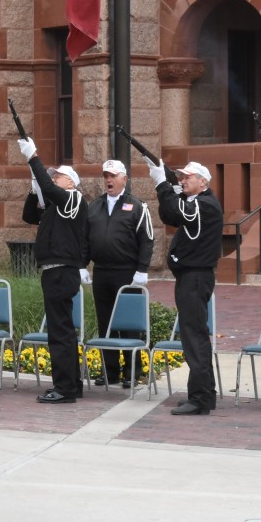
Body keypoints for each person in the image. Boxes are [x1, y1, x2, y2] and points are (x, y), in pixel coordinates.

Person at [147, 158, 223, 415]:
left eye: (187, 177)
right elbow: (169, 214)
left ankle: (200, 399)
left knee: (194, 337)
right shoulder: (196, 203)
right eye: (180, 177)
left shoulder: (206, 205)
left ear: (203, 182)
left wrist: (162, 184)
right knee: (194, 335)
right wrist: (169, 189)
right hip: (190, 277)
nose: (182, 180)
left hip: (196, 277)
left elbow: (177, 212)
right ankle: (203, 394)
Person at [18, 137, 89, 404]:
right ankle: (72, 384)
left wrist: (33, 157)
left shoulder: (73, 199)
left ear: (71, 182)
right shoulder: (57, 208)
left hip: (61, 271)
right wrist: (33, 187)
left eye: (58, 176)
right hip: (54, 272)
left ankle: (65, 388)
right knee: (63, 330)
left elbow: (52, 190)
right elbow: (29, 215)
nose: (54, 179)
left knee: (60, 333)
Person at [87, 159, 154, 388]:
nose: (108, 180)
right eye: (106, 175)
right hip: (102, 272)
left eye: (113, 176)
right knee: (105, 323)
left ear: (124, 179)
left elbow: (147, 240)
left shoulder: (137, 206)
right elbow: (86, 239)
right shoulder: (94, 206)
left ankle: (133, 371)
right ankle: (110, 371)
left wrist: (142, 269)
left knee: (128, 325)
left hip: (127, 273)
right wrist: (81, 265)